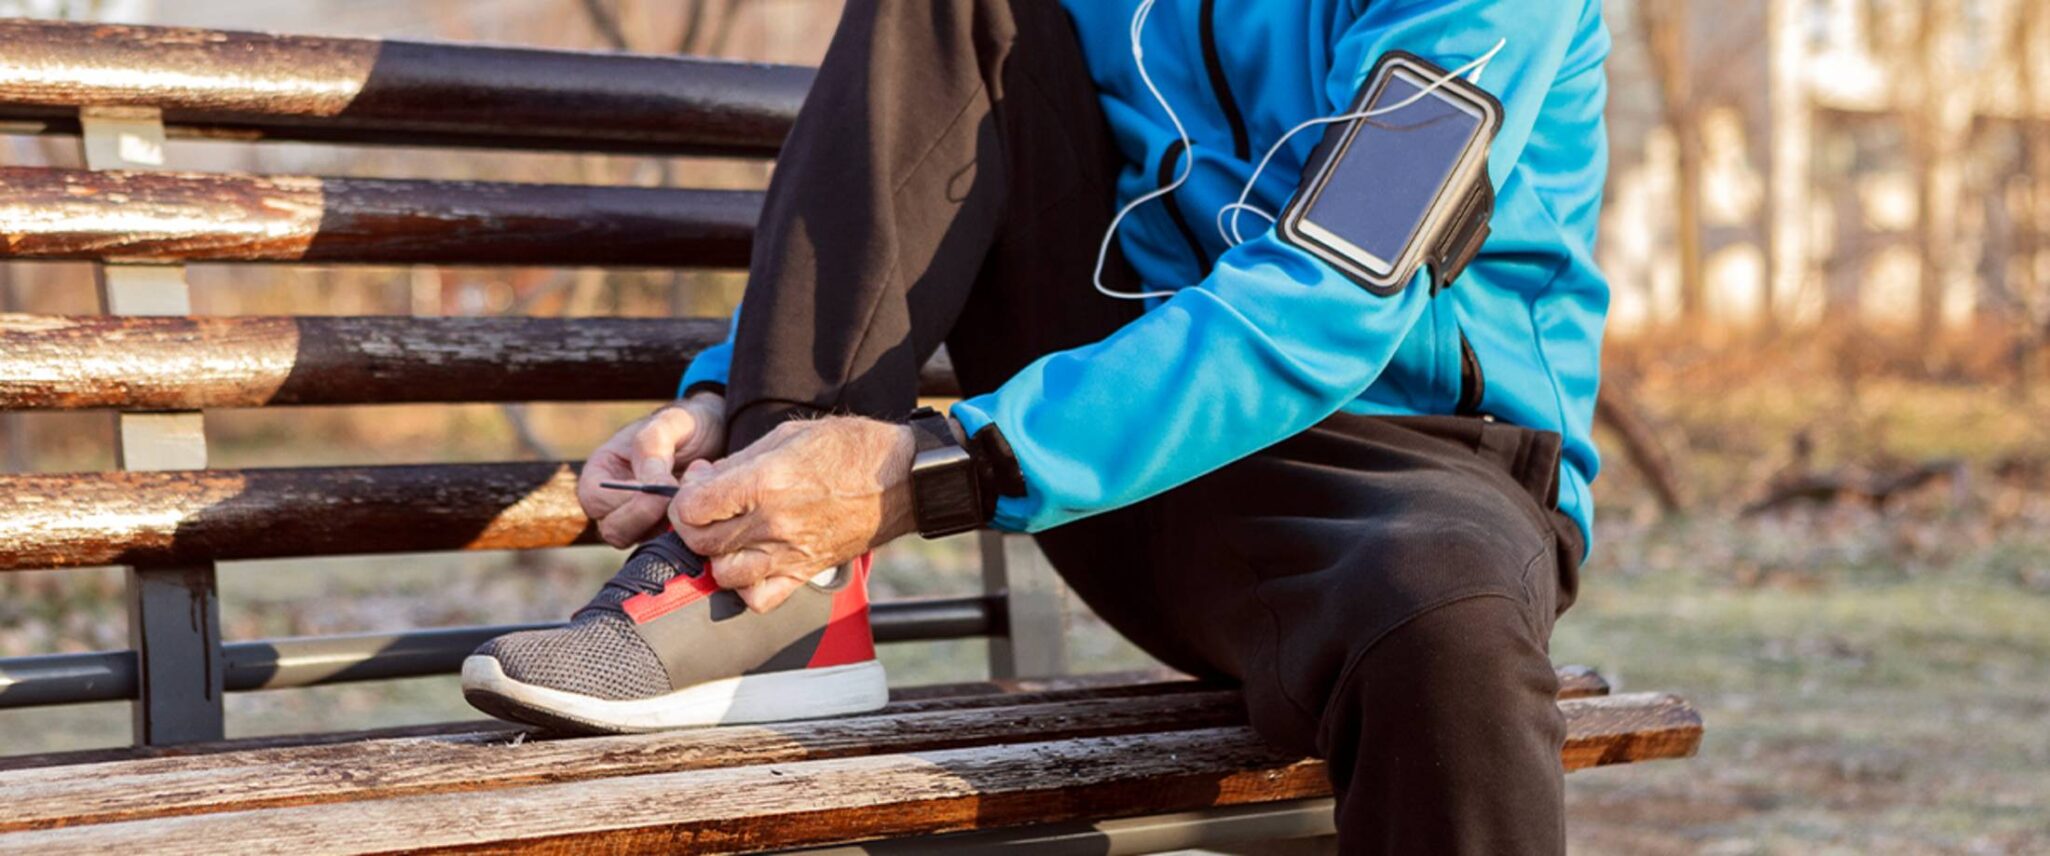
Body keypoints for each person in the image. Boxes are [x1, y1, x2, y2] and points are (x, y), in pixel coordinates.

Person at [463, 1, 1610, 851]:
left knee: (1442, 633)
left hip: (1403, 482)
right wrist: (735, 413)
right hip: (1140, 486)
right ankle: (779, 587)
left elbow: (1338, 286)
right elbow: (913, 168)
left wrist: (946, 465)